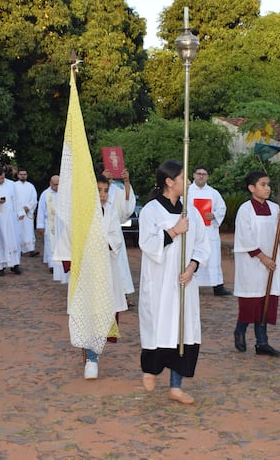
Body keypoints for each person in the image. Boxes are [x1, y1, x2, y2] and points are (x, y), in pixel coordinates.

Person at [138, 159, 210, 405]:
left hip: (183, 283)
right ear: (169, 182)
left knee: (183, 331)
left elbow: (202, 243)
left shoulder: (190, 210)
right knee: (159, 328)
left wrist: (192, 267)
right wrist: (174, 231)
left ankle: (176, 386)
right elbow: (147, 244)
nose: (188, 183)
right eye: (183, 179)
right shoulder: (151, 211)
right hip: (160, 283)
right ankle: (150, 369)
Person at [232, 170, 280, 357]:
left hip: (270, 264)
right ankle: (240, 330)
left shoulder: (274, 208)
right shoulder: (245, 210)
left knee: (266, 301)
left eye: (268, 184)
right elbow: (244, 237)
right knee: (251, 302)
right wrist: (263, 258)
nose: (267, 188)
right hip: (252, 264)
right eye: (263, 184)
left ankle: (262, 342)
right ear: (251, 188)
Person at [82, 175, 130, 379]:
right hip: (88, 271)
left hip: (107, 269)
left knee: (103, 313)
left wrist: (100, 241)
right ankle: (91, 358)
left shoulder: (110, 212)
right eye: (99, 191)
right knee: (89, 313)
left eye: (105, 191)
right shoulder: (83, 214)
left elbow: (115, 240)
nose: (102, 195)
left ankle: (93, 356)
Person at [187, 165, 231, 296]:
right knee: (193, 256)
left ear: (207, 177)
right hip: (193, 232)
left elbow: (221, 208)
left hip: (209, 231)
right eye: (199, 173)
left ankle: (217, 286)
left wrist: (214, 215)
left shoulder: (213, 193)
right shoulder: (187, 191)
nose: (201, 176)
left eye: (204, 174)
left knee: (213, 258)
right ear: (194, 175)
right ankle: (191, 284)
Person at [95, 163, 136, 300]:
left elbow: (126, 206)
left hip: (114, 236)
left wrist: (126, 181)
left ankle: (121, 294)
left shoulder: (116, 190)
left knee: (118, 266)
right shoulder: (93, 189)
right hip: (97, 236)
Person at [36, 174, 68, 282]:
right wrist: (40, 225)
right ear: (50, 183)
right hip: (50, 223)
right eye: (55, 184)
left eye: (59, 184)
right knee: (50, 243)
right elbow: (40, 210)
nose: (57, 187)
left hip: (63, 223)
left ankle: (61, 264)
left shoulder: (65, 194)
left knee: (61, 243)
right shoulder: (45, 194)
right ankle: (52, 265)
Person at [13, 168, 39, 257]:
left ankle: (31, 249)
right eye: (21, 174)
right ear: (18, 175)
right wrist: (20, 210)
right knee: (18, 230)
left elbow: (34, 199)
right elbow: (12, 199)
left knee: (29, 231)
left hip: (28, 213)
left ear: (26, 175)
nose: (23, 176)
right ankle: (18, 249)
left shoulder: (31, 186)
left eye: (24, 174)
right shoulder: (13, 185)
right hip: (17, 213)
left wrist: (27, 207)